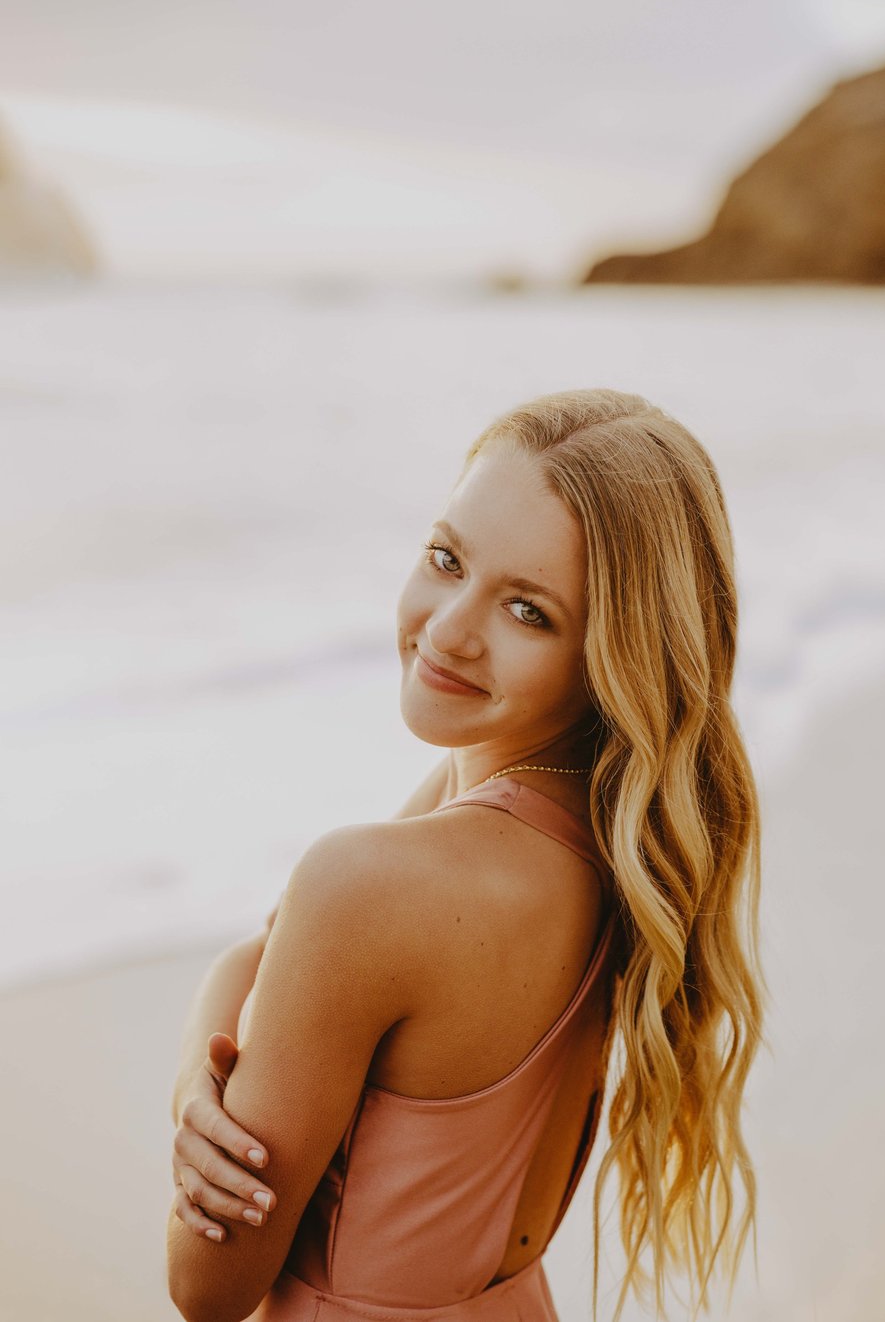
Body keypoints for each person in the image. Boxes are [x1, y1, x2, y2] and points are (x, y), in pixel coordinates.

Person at [166, 388, 766, 1322]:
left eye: (528, 611)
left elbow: (208, 1287)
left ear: (612, 655)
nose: (449, 627)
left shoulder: (373, 884)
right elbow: (267, 959)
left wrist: (202, 1102)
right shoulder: (627, 840)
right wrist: (196, 1075)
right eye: (447, 559)